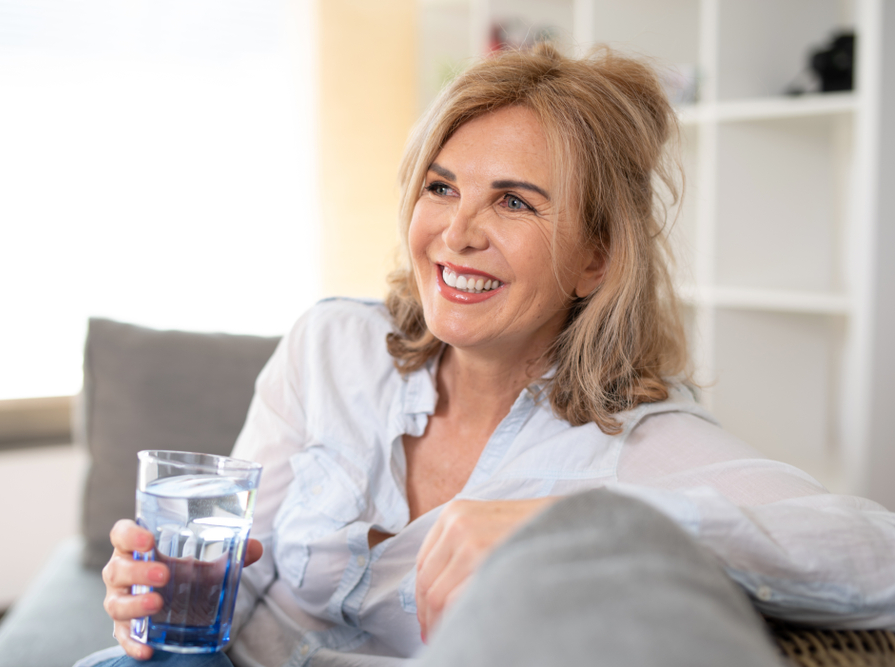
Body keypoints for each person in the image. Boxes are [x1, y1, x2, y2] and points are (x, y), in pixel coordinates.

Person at [78, 43, 895, 667]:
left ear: (596, 258)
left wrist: (576, 525)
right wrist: (149, 588)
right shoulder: (330, 346)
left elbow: (876, 555)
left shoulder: (635, 443)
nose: (456, 232)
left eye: (512, 200)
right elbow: (237, 575)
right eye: (440, 187)